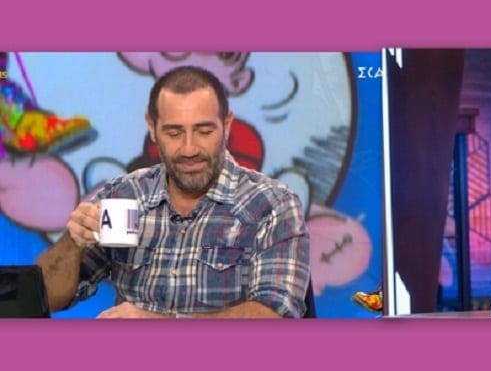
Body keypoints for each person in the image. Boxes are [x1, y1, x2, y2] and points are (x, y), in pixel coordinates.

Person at [36, 65, 310, 318]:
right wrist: (72, 244)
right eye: (174, 133)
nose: (189, 149)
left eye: (204, 131)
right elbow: (45, 297)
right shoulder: (124, 195)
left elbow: (274, 315)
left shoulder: (271, 205)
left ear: (226, 125)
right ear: (152, 128)